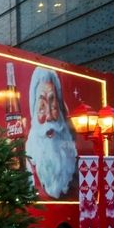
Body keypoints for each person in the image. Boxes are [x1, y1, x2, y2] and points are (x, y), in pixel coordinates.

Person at [23, 67, 78, 199]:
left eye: (53, 107)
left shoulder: (76, 164)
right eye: (41, 108)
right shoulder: (26, 166)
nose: (49, 117)